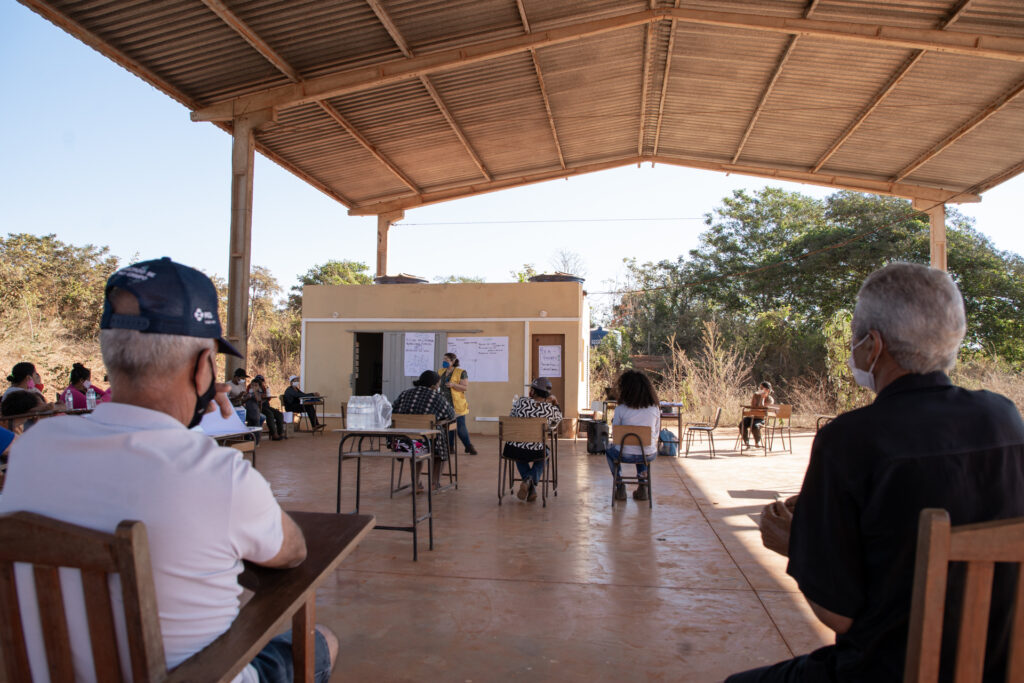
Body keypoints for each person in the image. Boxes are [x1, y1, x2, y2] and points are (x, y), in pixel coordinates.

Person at [0, 257, 337, 682]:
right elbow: (292, 553)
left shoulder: (33, 449)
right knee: (321, 641)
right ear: (202, 369)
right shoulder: (216, 473)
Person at [729, 262, 1024, 683]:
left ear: (874, 345)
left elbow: (842, 616)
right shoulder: (1006, 419)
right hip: (1000, 667)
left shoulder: (849, 440)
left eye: (855, 339)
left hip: (885, 670)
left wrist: (796, 543)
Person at [392, 370, 455, 492]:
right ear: (433, 386)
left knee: (415, 446)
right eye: (438, 384)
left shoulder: (404, 394)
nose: (438, 387)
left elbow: (393, 410)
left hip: (403, 443)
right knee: (440, 448)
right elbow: (450, 414)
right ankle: (434, 483)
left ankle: (415, 483)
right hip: (428, 444)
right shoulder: (435, 397)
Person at [605, 369, 660, 501]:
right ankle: (643, 487)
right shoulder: (654, 408)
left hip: (624, 453)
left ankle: (619, 485)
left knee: (609, 451)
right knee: (641, 448)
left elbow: (616, 433)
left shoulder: (620, 409)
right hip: (648, 453)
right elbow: (656, 432)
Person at [505, 377, 562, 502]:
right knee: (545, 453)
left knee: (518, 451)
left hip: (513, 449)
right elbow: (557, 421)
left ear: (533, 392)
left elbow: (511, 418)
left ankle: (529, 485)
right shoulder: (549, 409)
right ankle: (530, 480)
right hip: (535, 451)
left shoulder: (520, 402)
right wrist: (555, 403)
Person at [438, 352, 477, 455]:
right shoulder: (440, 372)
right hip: (444, 404)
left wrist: (453, 385)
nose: (444, 362)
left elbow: (465, 387)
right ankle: (450, 447)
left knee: (460, 427)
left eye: (447, 360)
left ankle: (468, 446)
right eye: (443, 359)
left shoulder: (461, 372)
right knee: (448, 426)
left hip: (457, 404)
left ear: (453, 361)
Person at [250, 374, 286, 440]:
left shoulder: (263, 388)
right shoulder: (252, 388)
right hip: (258, 407)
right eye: (259, 381)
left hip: (266, 405)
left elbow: (267, 397)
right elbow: (257, 400)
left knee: (279, 414)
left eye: (261, 381)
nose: (261, 382)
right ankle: (274, 434)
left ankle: (280, 433)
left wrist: (265, 396)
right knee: (269, 414)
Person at [739, 381, 774, 449]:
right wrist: (756, 397)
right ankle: (746, 441)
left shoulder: (770, 399)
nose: (760, 389)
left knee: (755, 425)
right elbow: (753, 406)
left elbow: (763, 409)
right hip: (752, 416)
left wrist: (762, 398)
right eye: (760, 388)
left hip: (761, 418)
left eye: (762, 388)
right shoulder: (756, 395)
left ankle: (757, 442)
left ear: (767, 390)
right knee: (742, 424)